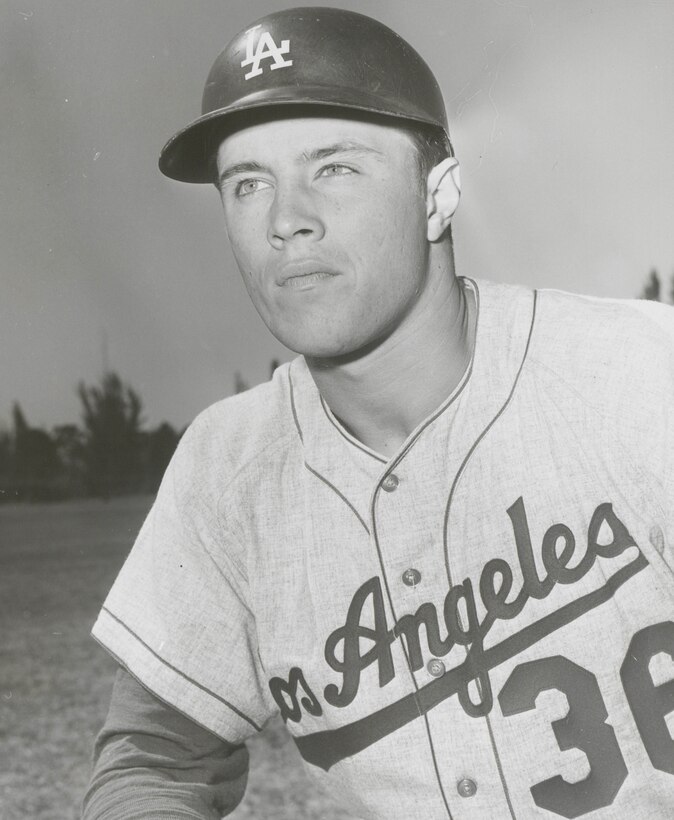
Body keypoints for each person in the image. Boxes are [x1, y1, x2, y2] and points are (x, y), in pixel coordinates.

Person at [83, 6, 674, 819]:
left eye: (334, 167)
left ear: (439, 194)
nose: (286, 219)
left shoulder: (638, 373)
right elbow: (154, 760)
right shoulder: (229, 469)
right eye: (248, 183)